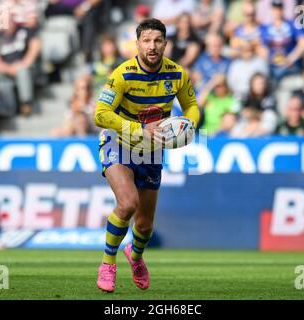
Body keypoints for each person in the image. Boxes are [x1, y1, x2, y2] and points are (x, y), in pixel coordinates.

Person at [94, 18, 200, 293]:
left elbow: (192, 107)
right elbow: (100, 114)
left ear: (165, 44)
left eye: (157, 41)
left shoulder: (177, 74)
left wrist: (188, 126)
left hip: (151, 150)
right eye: (146, 41)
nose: (152, 46)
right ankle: (108, 263)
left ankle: (136, 256)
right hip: (118, 141)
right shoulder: (122, 74)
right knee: (127, 203)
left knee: (144, 225)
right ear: (137, 43)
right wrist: (139, 129)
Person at [0, 16, 41, 116]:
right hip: (7, 69)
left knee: (22, 71)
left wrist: (24, 63)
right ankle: (7, 107)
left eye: (10, 22)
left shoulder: (25, 31)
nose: (8, 25)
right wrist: (9, 69)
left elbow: (35, 46)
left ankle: (26, 103)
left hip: (26, 66)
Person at [261, 0, 304, 83]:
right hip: (273, 65)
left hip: (291, 65)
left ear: (283, 9)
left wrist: (291, 58)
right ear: (271, 10)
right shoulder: (266, 28)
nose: (277, 12)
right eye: (275, 9)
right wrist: (270, 59)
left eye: (279, 9)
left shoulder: (292, 24)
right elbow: (262, 48)